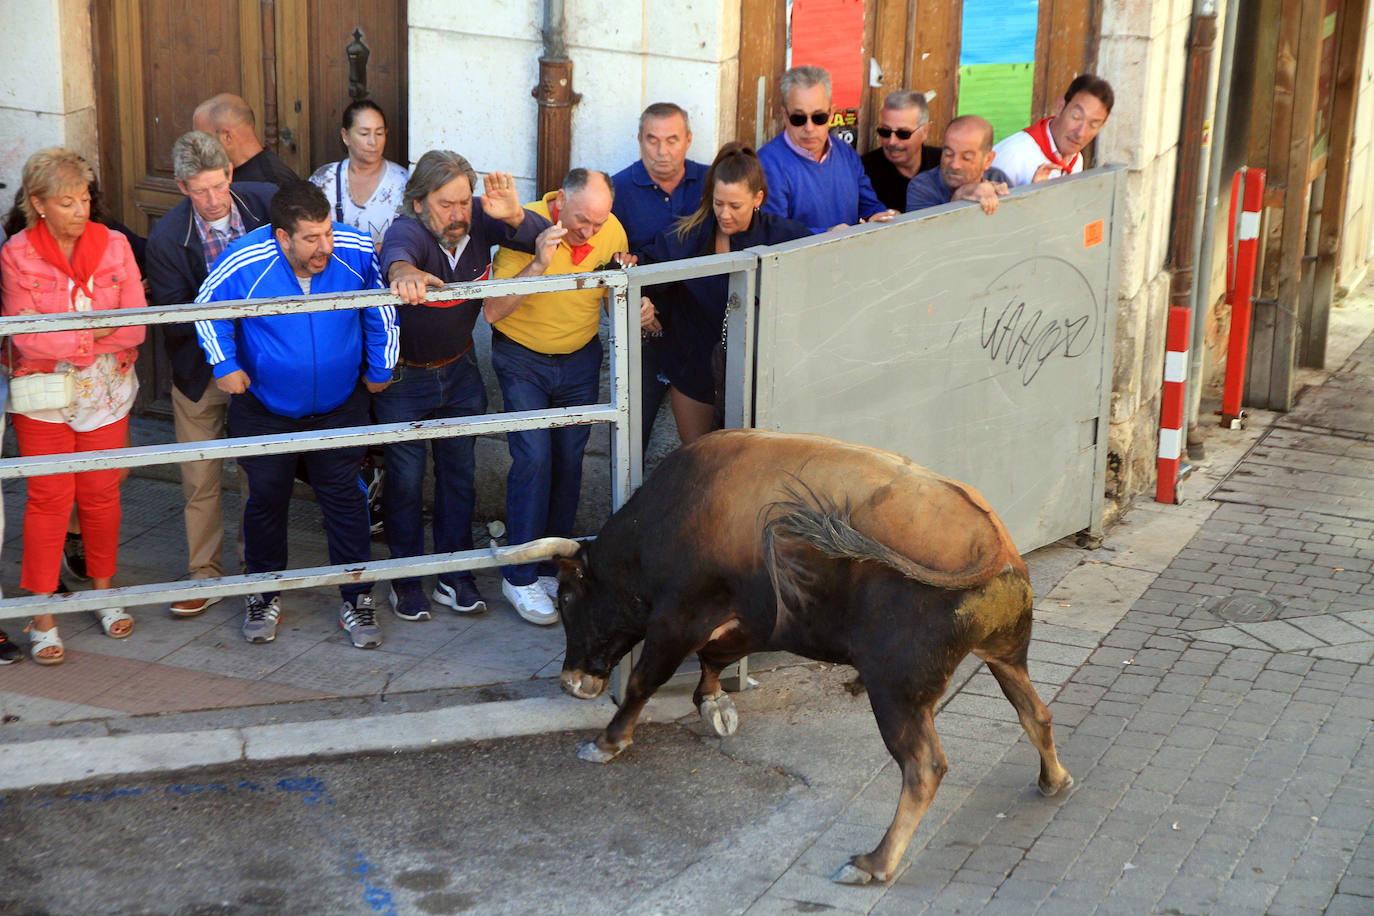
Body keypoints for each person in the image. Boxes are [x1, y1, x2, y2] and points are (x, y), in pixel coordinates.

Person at [195, 180, 399, 649]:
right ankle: (263, 595)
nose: (324, 246)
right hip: (265, 407)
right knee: (266, 501)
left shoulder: (353, 246)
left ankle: (357, 597)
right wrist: (224, 365)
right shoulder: (245, 258)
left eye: (327, 232)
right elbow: (206, 309)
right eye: (310, 237)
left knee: (347, 501)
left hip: (339, 403)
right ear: (281, 236)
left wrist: (381, 363)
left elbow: (380, 305)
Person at [376, 151, 551, 622]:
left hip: (459, 372)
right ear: (418, 203)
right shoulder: (408, 229)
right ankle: (407, 580)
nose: (457, 216)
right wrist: (405, 274)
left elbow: (543, 237)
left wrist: (513, 213)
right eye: (445, 204)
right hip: (403, 379)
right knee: (407, 483)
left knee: (459, 477)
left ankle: (455, 575)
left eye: (462, 203)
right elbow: (396, 257)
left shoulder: (476, 220)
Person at [0, 148, 148, 665]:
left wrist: (74, 336)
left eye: (84, 198)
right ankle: (42, 616)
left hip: (106, 391)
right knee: (49, 498)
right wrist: (96, 334)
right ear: (38, 204)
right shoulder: (17, 253)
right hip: (43, 396)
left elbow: (136, 324)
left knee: (100, 493)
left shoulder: (114, 244)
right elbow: (30, 340)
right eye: (67, 201)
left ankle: (103, 595)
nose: (81, 209)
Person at [484, 169, 626, 626]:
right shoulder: (523, 228)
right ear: (560, 201)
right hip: (522, 358)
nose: (588, 231)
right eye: (582, 219)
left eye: (597, 223)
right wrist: (539, 264)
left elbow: (609, 296)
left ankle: (552, 568)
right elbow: (492, 311)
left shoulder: (611, 229)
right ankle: (518, 576)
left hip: (580, 359)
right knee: (534, 459)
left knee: (570, 459)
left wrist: (634, 300)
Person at [144, 131, 277, 617]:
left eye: (220, 186)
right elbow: (180, 317)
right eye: (200, 190)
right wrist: (224, 362)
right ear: (181, 187)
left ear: (232, 175)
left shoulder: (265, 204)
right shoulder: (165, 238)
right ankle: (204, 573)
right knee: (199, 478)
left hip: (264, 366)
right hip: (201, 372)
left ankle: (256, 571)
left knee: (256, 473)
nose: (214, 199)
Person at [636, 143, 810, 443]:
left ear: (758, 199)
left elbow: (821, 270)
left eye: (735, 206)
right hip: (694, 372)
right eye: (718, 204)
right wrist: (644, 305)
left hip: (760, 380)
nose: (724, 214)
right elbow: (643, 277)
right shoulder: (687, 236)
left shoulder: (784, 236)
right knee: (699, 467)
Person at [612, 103, 709, 452]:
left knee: (713, 448)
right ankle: (627, 508)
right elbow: (606, 264)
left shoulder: (712, 182)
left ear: (688, 140)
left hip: (704, 335)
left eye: (672, 140)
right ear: (639, 140)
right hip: (645, 335)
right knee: (629, 443)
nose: (662, 151)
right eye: (652, 140)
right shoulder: (617, 190)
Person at [757, 66, 897, 234]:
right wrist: (826, 234)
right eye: (798, 118)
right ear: (785, 116)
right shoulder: (767, 164)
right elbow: (774, 233)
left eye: (819, 117)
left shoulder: (846, 154)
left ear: (831, 114)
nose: (809, 128)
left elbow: (869, 206)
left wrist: (882, 216)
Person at [309, 100, 409, 248]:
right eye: (364, 133)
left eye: (379, 133)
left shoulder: (403, 181)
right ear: (346, 136)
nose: (373, 141)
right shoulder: (324, 179)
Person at [992, 75, 1114, 187]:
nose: (1080, 133)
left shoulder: (1076, 160)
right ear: (1060, 107)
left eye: (1093, 125)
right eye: (1076, 117)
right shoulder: (1013, 156)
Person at [906, 115, 1010, 215]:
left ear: (988, 160)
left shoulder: (998, 178)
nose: (955, 165)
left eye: (966, 158)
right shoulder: (922, 187)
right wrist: (960, 195)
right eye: (948, 154)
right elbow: (924, 232)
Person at [193, 93, 299, 188]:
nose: (197, 147)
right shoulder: (220, 172)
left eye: (203, 139)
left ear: (227, 137)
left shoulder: (271, 184)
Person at [861, 90, 939, 212]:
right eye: (885, 132)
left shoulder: (942, 164)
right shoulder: (863, 171)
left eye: (903, 133)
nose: (892, 141)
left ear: (925, 132)